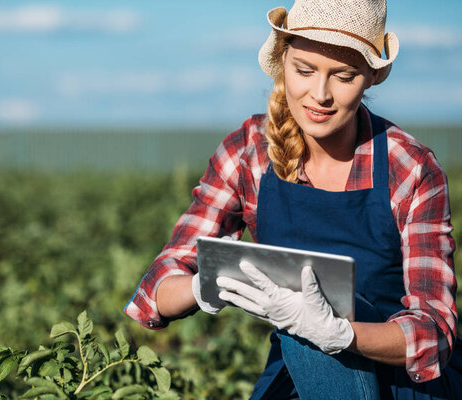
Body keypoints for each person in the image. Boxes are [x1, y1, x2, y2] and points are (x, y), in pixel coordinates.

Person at [124, 0, 462, 398]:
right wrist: (206, 284)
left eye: (344, 76)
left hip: (404, 385)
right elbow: (158, 290)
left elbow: (434, 330)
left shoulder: (409, 168)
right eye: (305, 70)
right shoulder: (249, 151)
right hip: (300, 373)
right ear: (283, 62)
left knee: (318, 313)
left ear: (370, 77)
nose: (320, 94)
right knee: (304, 330)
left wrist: (340, 333)